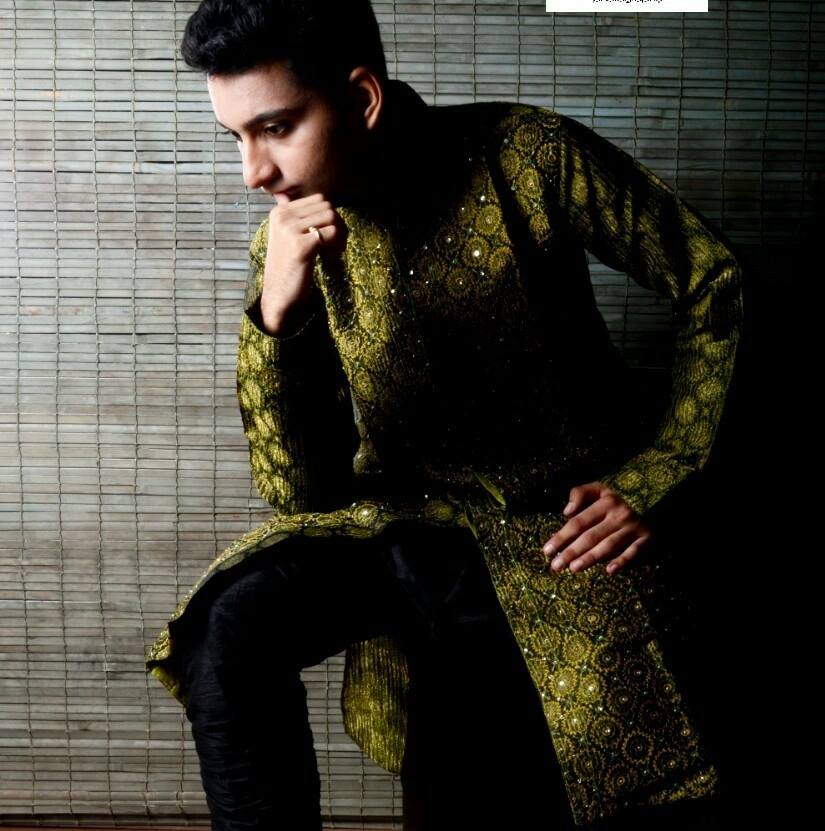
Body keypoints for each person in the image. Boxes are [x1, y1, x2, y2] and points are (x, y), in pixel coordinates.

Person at [145, 1, 743, 829]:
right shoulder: (288, 242)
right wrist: (277, 319)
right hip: (402, 526)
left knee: (492, 771)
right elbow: (299, 493)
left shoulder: (528, 155)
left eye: (275, 128)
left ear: (361, 98)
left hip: (552, 525)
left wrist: (660, 472)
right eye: (235, 137)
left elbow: (714, 280)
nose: (254, 172)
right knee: (225, 627)